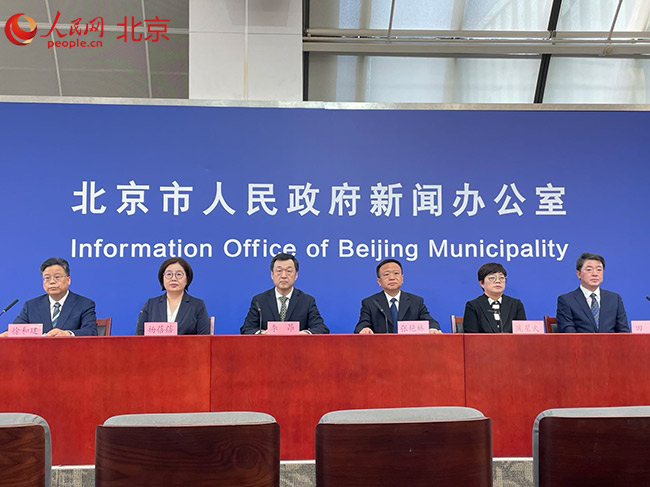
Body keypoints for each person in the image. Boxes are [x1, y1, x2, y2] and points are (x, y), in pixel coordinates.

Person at [2, 257, 97, 337]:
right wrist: (7, 334)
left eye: (57, 277)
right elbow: (16, 329)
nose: (52, 282)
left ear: (68, 280)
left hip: (71, 351)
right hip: (37, 352)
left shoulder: (84, 304)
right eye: (47, 278)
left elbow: (91, 331)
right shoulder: (31, 306)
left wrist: (68, 334)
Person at [241, 253, 329, 334]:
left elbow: (321, 329)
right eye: (279, 271)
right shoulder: (259, 300)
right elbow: (246, 329)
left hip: (297, 345)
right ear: (272, 275)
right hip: (268, 345)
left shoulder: (307, 300)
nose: (283, 276)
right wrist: (262, 334)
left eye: (289, 271)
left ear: (296, 275)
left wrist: (305, 333)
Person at [354, 258, 441, 334]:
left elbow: (431, 322)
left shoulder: (416, 301)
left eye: (396, 273)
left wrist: (432, 328)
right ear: (379, 281)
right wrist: (364, 329)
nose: (392, 277)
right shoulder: (370, 303)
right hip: (380, 346)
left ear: (402, 278)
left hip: (409, 346)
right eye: (386, 274)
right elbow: (362, 324)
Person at [557, 252, 629, 333]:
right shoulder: (567, 300)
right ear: (579, 274)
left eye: (599, 270)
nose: (595, 274)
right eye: (589, 270)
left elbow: (623, 331)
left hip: (610, 342)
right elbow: (568, 333)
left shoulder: (615, 299)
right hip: (579, 342)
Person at [135, 257, 210, 335]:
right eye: (169, 274)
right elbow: (139, 337)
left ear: (187, 279)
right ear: (162, 278)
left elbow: (204, 337)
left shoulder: (197, 305)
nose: (173, 278)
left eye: (179, 274)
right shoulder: (151, 304)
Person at [462, 262, 526, 333]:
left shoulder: (516, 305)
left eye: (501, 278)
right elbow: (471, 336)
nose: (498, 281)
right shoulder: (473, 306)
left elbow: (522, 334)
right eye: (492, 278)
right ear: (482, 283)